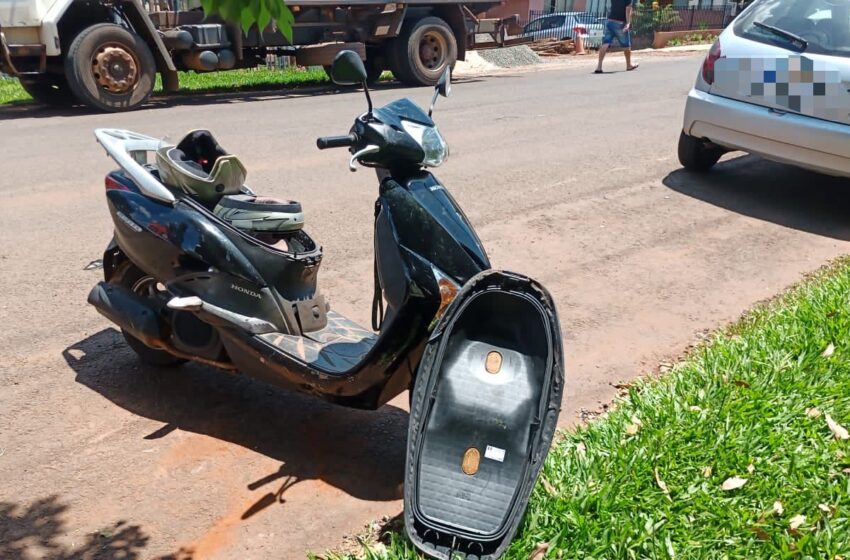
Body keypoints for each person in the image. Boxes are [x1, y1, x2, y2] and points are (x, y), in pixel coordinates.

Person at [594, 0, 639, 74]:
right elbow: (628, 10)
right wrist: (628, 23)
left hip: (610, 21)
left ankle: (599, 67)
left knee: (605, 43)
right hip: (620, 23)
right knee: (626, 45)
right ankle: (629, 65)